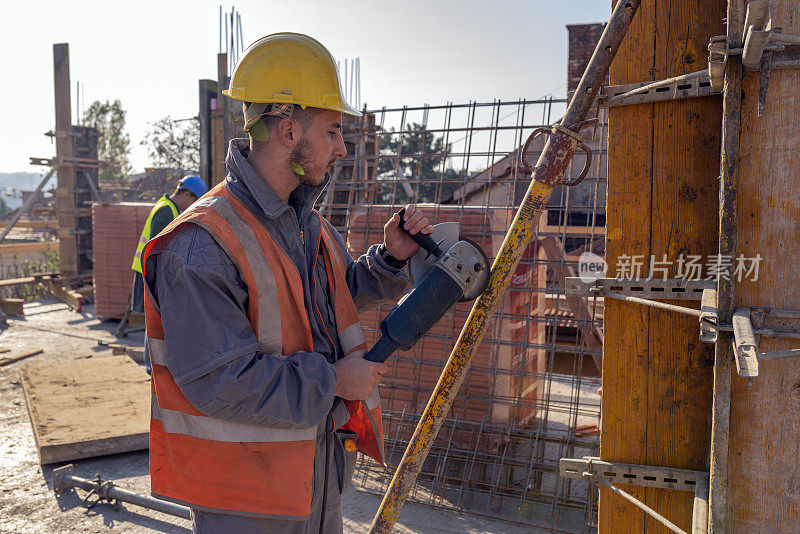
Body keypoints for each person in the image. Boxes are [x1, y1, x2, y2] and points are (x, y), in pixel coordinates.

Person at [140, 33, 433, 533]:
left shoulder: (307, 226)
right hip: (246, 498)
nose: (342, 147)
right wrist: (335, 381)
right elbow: (220, 382)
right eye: (335, 131)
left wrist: (388, 259)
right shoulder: (200, 244)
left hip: (312, 478)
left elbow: (326, 302)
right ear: (290, 132)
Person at [130, 175, 207, 373]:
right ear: (188, 194)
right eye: (194, 201)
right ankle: (152, 366)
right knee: (156, 320)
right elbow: (156, 248)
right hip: (150, 273)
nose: (192, 206)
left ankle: (152, 365)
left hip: (148, 271)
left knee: (155, 320)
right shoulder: (166, 211)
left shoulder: (166, 205)